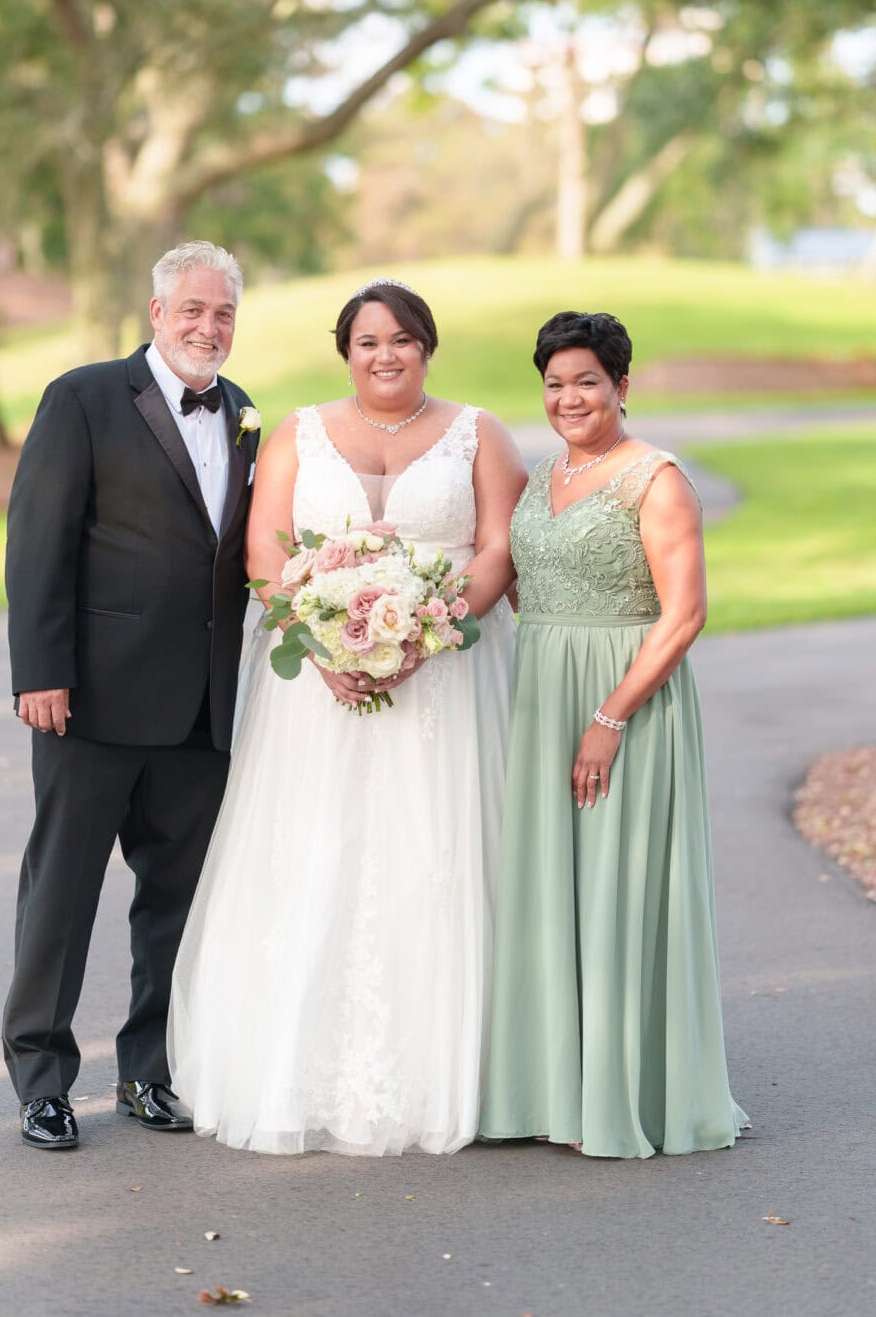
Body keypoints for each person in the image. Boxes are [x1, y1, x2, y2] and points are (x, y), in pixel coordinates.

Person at [168, 277, 527, 1155]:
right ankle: (294, 1066)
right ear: (347, 352)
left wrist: (432, 633)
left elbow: (499, 546)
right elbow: (264, 551)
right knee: (313, 853)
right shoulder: (298, 431)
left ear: (427, 346)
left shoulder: (479, 432)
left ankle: (454, 1069)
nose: (386, 355)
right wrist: (325, 646)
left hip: (445, 680)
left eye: (402, 338)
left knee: (435, 853)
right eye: (368, 342)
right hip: (316, 689)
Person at [2, 240, 259, 1150]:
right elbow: (38, 541)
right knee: (63, 893)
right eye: (192, 310)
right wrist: (41, 670)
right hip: (92, 701)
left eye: (223, 313)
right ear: (156, 313)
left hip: (202, 711)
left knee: (175, 901)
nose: (208, 327)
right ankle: (41, 1077)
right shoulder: (83, 397)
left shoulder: (245, 416)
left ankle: (147, 1073)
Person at [480, 310, 747, 1158]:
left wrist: (606, 717)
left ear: (622, 387)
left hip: (627, 705)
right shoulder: (539, 478)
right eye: (555, 384)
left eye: (586, 381)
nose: (568, 398)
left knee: (617, 890)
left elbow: (687, 613)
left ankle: (627, 1094)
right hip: (542, 693)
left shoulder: (656, 479)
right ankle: (552, 1090)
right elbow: (526, 582)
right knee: (550, 892)